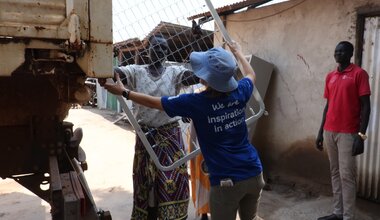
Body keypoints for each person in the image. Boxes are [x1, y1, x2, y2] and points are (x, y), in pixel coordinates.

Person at [101, 41, 265, 220]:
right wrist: (238, 52)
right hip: (254, 172)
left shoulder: (196, 103)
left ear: (207, 78)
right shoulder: (241, 91)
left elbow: (156, 103)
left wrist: (125, 93)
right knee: (251, 218)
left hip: (227, 183)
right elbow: (251, 74)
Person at [100, 34, 199, 220]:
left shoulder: (174, 72)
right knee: (145, 183)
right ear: (147, 50)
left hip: (170, 135)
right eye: (156, 47)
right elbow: (117, 72)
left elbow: (193, 77)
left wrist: (195, 50)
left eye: (163, 48)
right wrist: (105, 70)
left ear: (167, 52)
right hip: (145, 136)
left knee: (175, 180)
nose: (160, 50)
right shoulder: (136, 71)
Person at [316, 41, 371, 220]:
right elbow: (328, 105)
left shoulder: (359, 74)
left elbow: (366, 106)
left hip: (348, 133)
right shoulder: (330, 76)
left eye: (342, 51)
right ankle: (337, 212)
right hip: (330, 131)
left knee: (347, 176)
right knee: (334, 172)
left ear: (350, 53)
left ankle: (348, 216)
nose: (338, 54)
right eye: (336, 51)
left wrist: (361, 136)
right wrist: (320, 131)